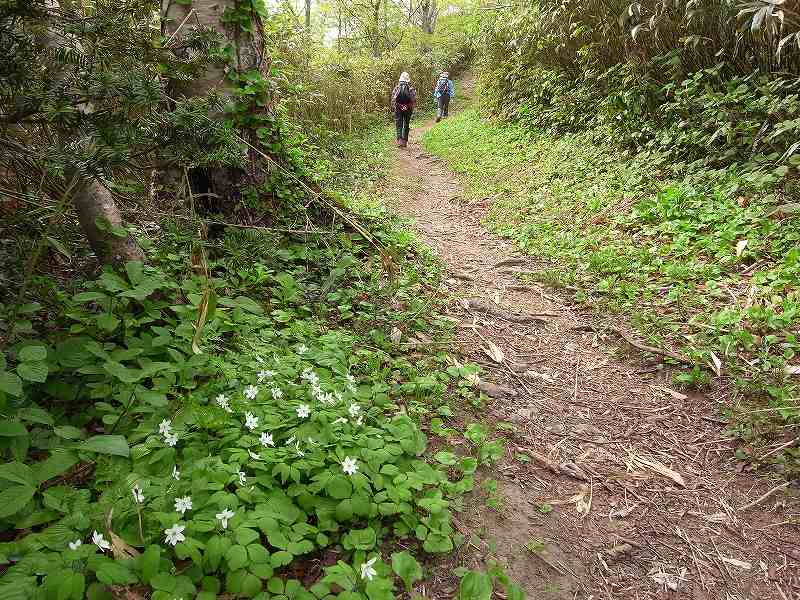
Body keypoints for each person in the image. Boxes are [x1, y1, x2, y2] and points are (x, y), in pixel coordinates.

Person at [391, 72, 416, 148]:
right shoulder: (411, 88)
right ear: (408, 80)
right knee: (406, 123)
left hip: (398, 108)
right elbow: (414, 99)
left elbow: (393, 99)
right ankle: (405, 141)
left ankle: (399, 140)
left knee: (399, 123)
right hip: (408, 108)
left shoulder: (397, 88)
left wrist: (394, 108)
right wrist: (409, 107)